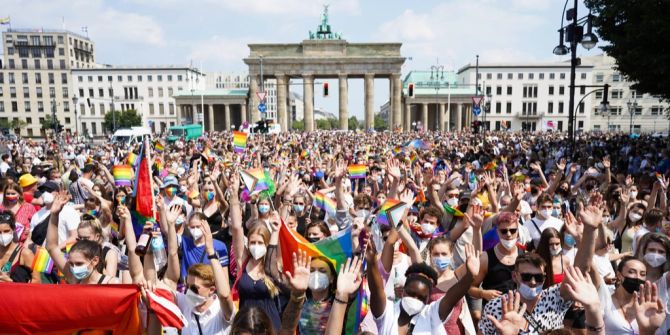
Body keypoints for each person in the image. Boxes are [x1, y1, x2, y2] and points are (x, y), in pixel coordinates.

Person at [479, 253, 573, 334]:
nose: (533, 282)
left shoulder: (555, 297)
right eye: (526, 276)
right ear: (514, 276)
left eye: (538, 277)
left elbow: (580, 272)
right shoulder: (495, 306)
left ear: (544, 277)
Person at [46, 191, 120, 284]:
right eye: (71, 264)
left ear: (95, 260)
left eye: (79, 264)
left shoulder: (110, 283)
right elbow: (51, 247)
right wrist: (54, 215)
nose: (74, 268)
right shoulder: (74, 278)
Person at [0, 211, 39, 283]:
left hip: (17, 293)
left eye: (6, 231)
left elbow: (37, 281)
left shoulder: (25, 254)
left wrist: (12, 283)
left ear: (14, 229)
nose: (2, 235)